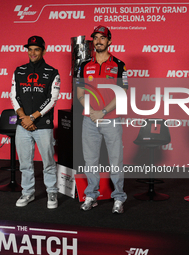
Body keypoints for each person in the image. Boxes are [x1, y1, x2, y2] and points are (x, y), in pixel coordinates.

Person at [76, 25, 128, 213]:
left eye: (102, 38)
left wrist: (103, 112)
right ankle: (91, 195)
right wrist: (91, 110)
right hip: (89, 119)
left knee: (116, 160)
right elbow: (80, 93)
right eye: (96, 38)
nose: (98, 41)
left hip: (111, 119)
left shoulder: (119, 65)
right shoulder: (84, 65)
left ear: (109, 41)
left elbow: (122, 92)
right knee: (90, 160)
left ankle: (119, 198)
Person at [10, 35, 61, 209]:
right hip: (23, 124)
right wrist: (24, 117)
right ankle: (28, 192)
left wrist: (32, 118)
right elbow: (14, 96)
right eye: (30, 49)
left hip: (43, 125)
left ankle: (52, 191)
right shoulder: (19, 71)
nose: (32, 53)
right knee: (25, 162)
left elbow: (52, 99)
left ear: (43, 51)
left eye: (36, 49)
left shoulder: (52, 72)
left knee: (48, 161)